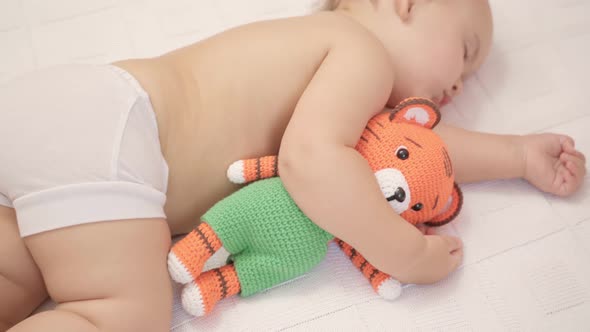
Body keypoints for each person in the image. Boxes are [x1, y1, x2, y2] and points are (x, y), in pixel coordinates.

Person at [1, 0, 585, 330]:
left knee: (22, 277)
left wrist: (516, 154)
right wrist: (404, 253)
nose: (460, 83)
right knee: (118, 317)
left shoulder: (343, 79)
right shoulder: (360, 52)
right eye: (464, 52)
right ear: (404, 3)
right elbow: (311, 164)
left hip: (59, 119)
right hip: (119, 132)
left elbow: (417, 150)